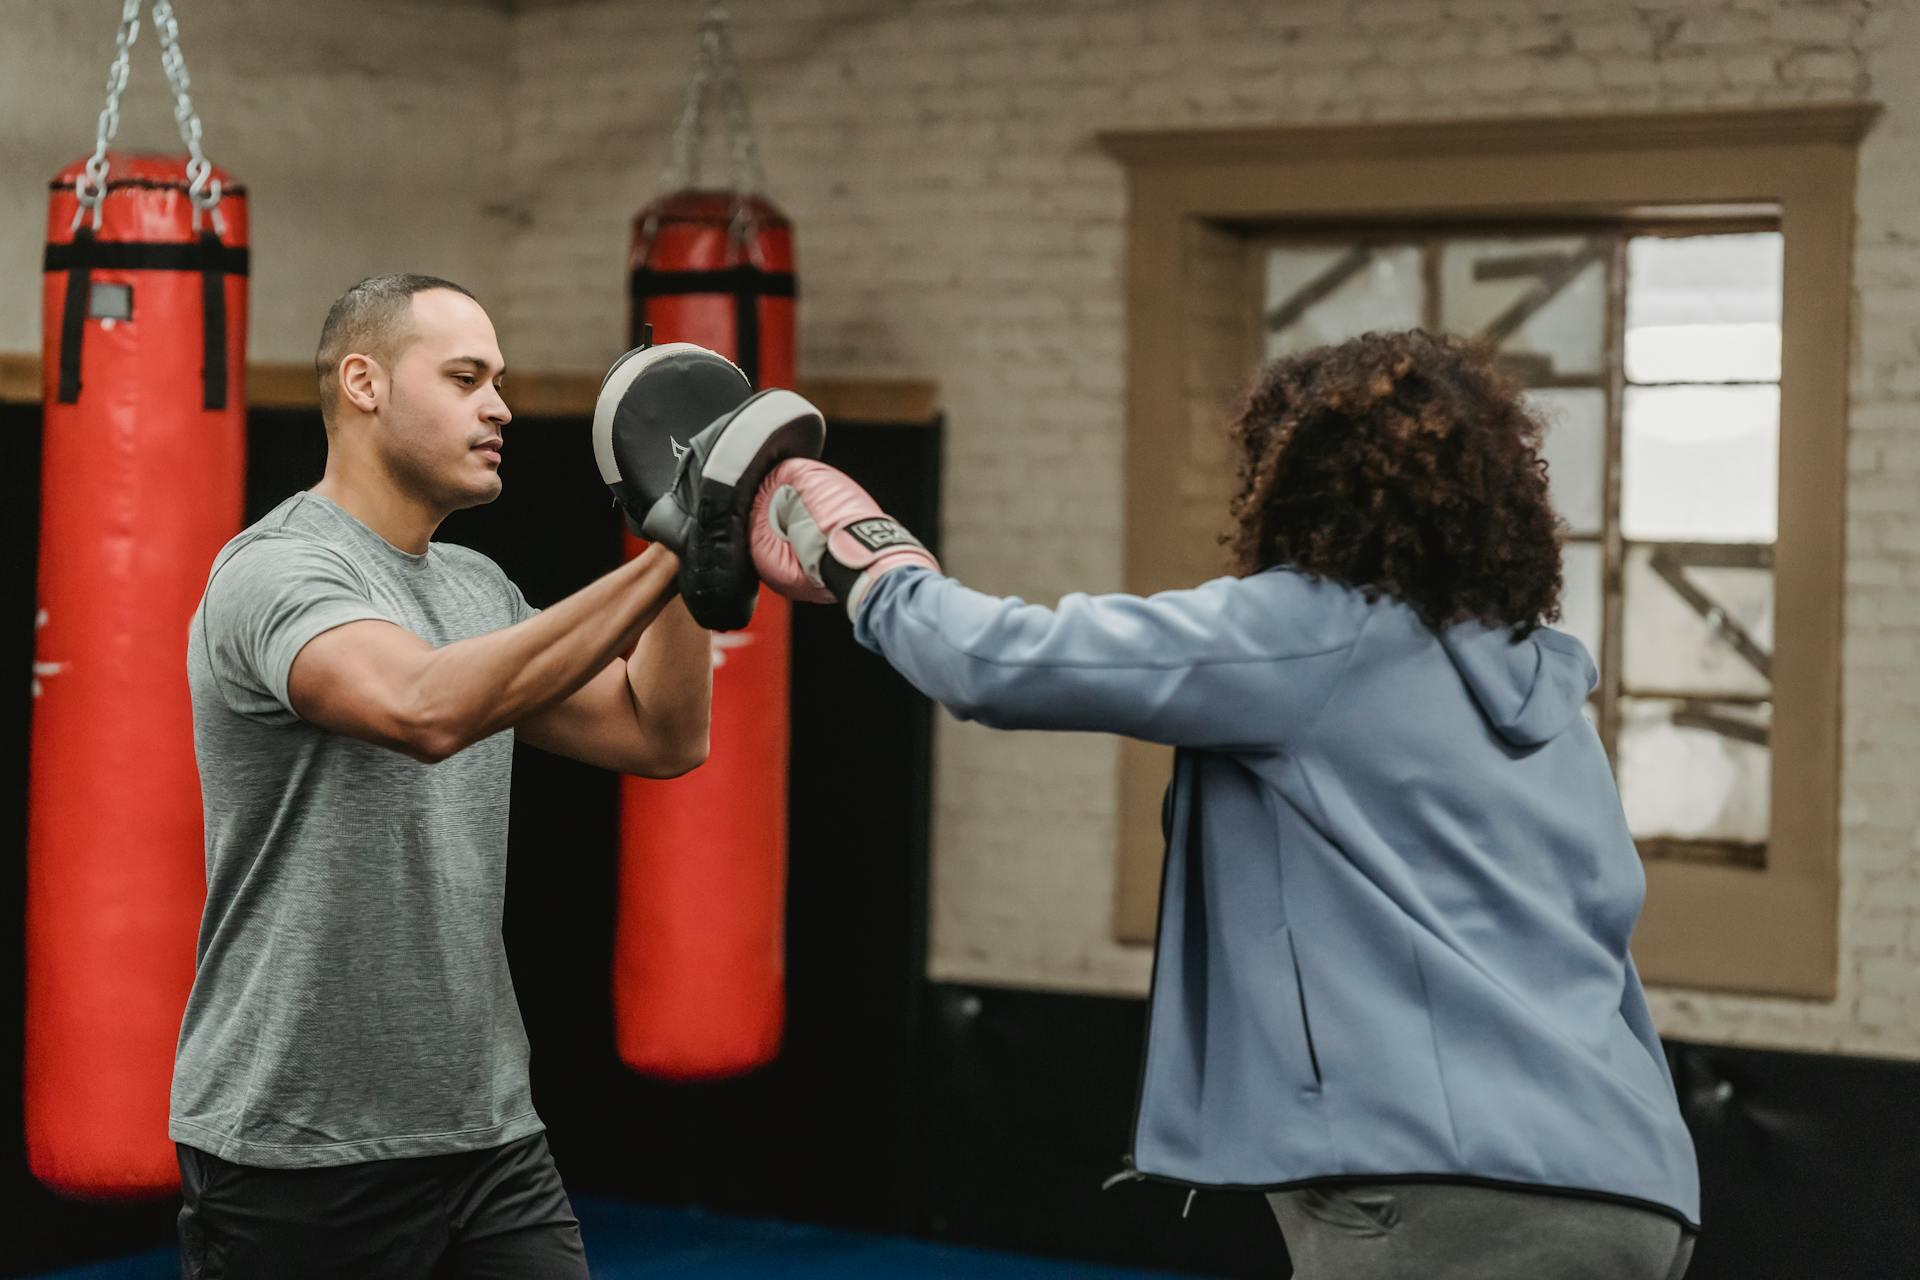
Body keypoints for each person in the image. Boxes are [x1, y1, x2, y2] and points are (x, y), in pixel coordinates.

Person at [750, 329, 1700, 1280]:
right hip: (1634, 1185)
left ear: (1298, 483)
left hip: (1443, 1186)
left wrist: (871, 565)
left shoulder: (1317, 629)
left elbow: (998, 662)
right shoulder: (1549, 697)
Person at [170, 275, 770, 1278]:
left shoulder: (475, 588)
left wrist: (680, 555)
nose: (499, 405)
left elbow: (659, 733)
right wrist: (676, 544)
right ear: (362, 382)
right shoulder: (274, 572)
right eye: (464, 376)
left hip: (485, 1132)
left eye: (500, 380)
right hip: (295, 1148)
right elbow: (424, 708)